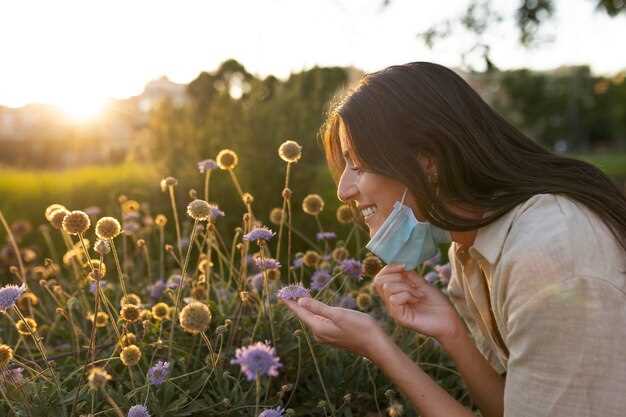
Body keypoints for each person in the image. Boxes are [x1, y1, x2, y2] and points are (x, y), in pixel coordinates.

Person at [283, 62, 626, 417]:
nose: (342, 191)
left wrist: (379, 348)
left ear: (427, 161)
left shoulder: (549, 257)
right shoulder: (469, 249)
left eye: (357, 164)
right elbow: (508, 408)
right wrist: (453, 333)